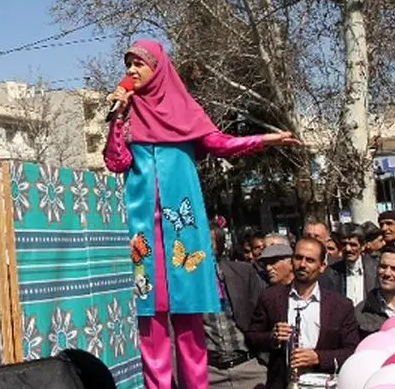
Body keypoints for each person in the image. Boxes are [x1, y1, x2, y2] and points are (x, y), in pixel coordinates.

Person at [104, 40, 299, 389]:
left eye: (139, 64)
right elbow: (116, 161)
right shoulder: (128, 115)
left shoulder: (184, 110)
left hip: (183, 228)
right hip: (144, 233)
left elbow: (221, 143)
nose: (131, 71)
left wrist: (265, 141)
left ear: (158, 68)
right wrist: (118, 116)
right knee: (151, 325)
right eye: (128, 64)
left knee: (190, 327)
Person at [246, 238, 360, 388]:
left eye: (310, 260)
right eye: (298, 258)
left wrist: (318, 357)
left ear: (322, 266)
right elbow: (251, 338)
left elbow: (352, 351)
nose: (303, 264)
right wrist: (272, 337)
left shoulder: (340, 305)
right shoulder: (271, 297)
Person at [205, 224, 267, 387]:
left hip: (250, 368)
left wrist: (264, 361)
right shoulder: (185, 284)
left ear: (218, 245)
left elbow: (262, 316)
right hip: (211, 374)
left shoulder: (243, 273)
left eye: (208, 241)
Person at [327, 224, 377, 308]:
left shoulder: (376, 269)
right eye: (344, 244)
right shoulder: (331, 272)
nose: (348, 249)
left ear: (363, 246)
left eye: (353, 245)